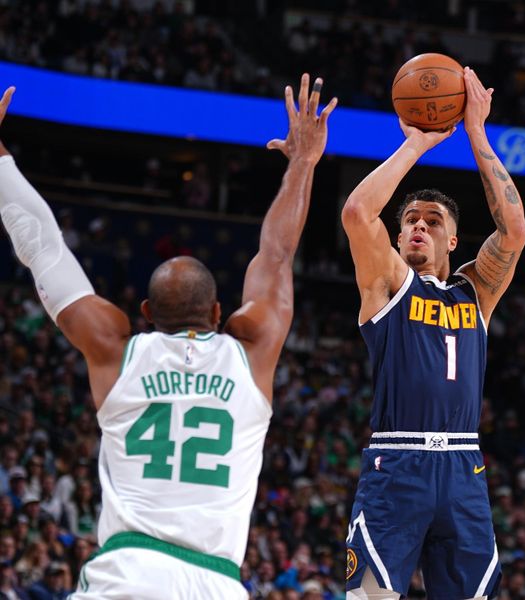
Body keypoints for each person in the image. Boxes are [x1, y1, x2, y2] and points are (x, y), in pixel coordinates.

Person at [0, 75, 336, 599]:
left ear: (146, 312)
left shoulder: (116, 349)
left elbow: (43, 249)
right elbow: (276, 254)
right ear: (220, 311)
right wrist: (303, 164)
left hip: (127, 574)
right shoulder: (251, 354)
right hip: (215, 583)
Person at [341, 67, 525, 599]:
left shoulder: (476, 292)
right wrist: (416, 145)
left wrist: (476, 134)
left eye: (432, 221)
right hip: (397, 461)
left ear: (452, 241)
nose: (419, 226)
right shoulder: (388, 286)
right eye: (410, 222)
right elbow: (357, 212)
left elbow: (513, 231)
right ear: (399, 239)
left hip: (464, 466)